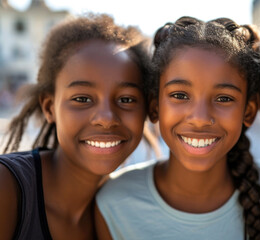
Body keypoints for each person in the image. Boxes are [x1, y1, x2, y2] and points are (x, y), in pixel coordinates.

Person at [95, 17, 260, 240]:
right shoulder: (114, 202)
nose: (200, 118)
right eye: (179, 95)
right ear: (155, 106)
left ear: (248, 111)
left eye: (224, 98)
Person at [0, 14, 152, 240]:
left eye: (127, 99)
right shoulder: (7, 188)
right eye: (82, 99)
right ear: (50, 108)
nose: (106, 118)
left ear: (148, 110)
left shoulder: (125, 214)